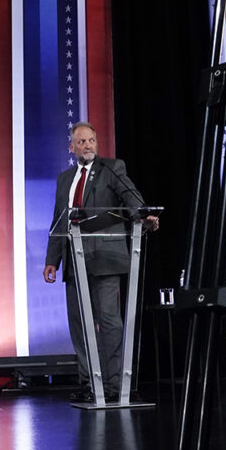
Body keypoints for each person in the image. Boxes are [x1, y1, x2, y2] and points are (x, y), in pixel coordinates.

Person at [43, 122, 158, 403]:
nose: (88, 146)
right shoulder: (64, 178)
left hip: (106, 258)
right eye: (81, 142)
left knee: (109, 322)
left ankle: (114, 383)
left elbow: (129, 196)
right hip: (75, 261)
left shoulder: (111, 168)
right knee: (79, 324)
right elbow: (59, 218)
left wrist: (141, 215)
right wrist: (52, 261)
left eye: (92, 140)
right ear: (72, 147)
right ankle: (89, 382)